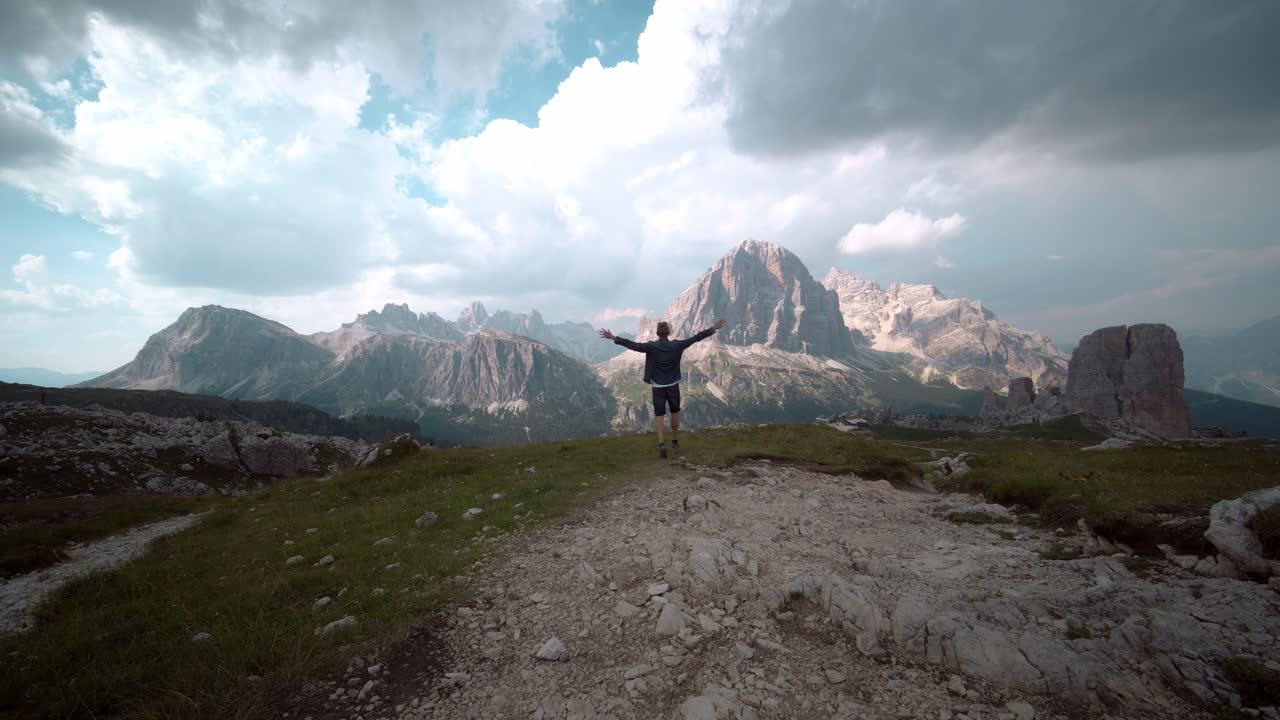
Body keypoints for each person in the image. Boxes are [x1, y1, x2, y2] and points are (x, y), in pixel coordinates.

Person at [599, 318, 726, 458]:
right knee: (675, 411)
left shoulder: (651, 346)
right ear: (669, 333)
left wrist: (613, 337)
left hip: (658, 387)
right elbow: (696, 338)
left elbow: (634, 345)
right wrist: (713, 328)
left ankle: (661, 443)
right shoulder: (678, 345)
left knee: (659, 415)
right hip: (673, 385)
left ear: (657, 333)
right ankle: (675, 439)